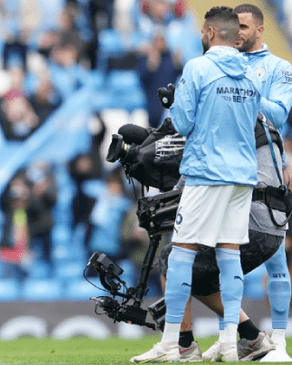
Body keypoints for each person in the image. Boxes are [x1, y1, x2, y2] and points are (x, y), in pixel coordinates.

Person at [131, 6, 261, 362]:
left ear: (207, 33)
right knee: (228, 254)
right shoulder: (251, 74)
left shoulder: (199, 67)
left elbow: (184, 123)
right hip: (242, 175)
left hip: (206, 173)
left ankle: (175, 342)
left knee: (180, 256)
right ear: (235, 35)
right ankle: (232, 344)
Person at [151, 116, 284, 362]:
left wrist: (173, 194)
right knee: (199, 280)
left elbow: (206, 165)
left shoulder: (230, 117)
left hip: (250, 222)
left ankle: (184, 345)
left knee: (172, 259)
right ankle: (252, 337)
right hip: (273, 227)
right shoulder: (265, 123)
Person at [232, 5, 292, 361]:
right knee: (224, 255)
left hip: (265, 171)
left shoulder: (281, 69)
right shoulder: (223, 65)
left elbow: (280, 114)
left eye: (243, 26)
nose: (236, 32)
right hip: (226, 172)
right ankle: (232, 337)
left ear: (261, 29)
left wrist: (241, 88)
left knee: (275, 260)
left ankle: (281, 342)